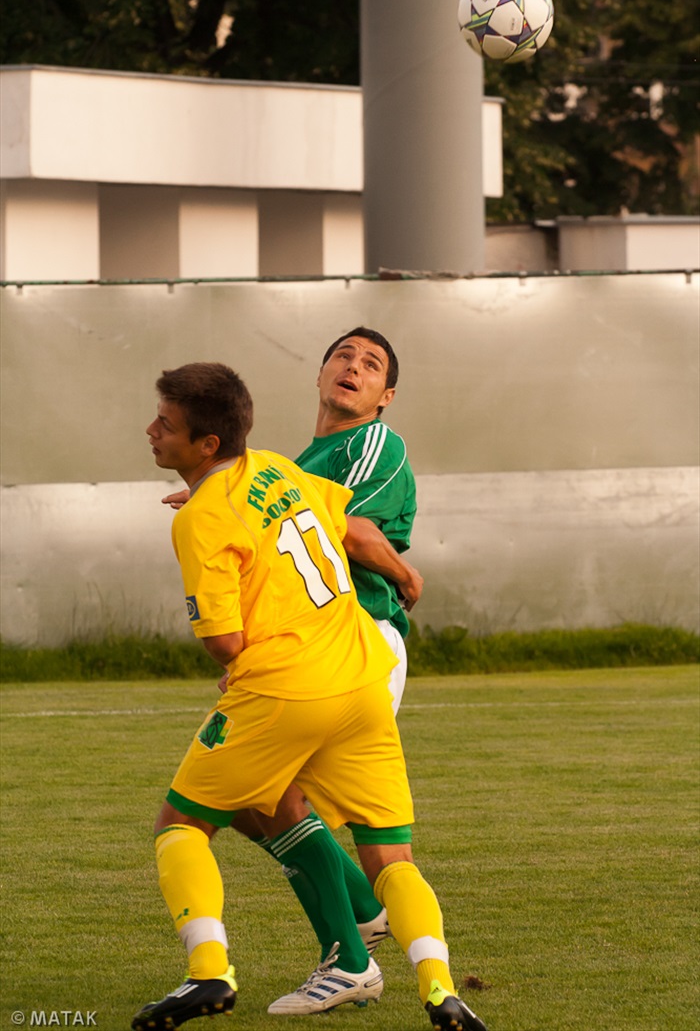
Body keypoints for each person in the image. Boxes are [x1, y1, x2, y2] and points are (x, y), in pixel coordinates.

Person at [135, 361, 488, 1031]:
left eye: (166, 423)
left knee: (181, 826)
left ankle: (209, 971)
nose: (151, 429)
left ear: (208, 444)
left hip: (287, 689)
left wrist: (209, 513)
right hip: (360, 676)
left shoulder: (203, 518)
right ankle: (440, 987)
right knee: (388, 856)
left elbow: (226, 643)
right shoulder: (276, 466)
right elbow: (338, 524)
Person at [163, 328, 425, 1015]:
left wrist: (405, 575)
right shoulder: (298, 456)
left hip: (354, 636)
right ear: (318, 373)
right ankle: (364, 920)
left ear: (385, 397)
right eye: (343, 354)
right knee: (263, 802)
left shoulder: (370, 443)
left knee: (250, 802)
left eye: (371, 364)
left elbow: (355, 530)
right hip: (308, 645)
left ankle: (353, 944)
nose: (353, 366)